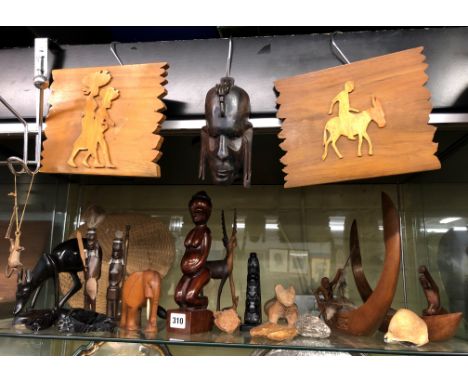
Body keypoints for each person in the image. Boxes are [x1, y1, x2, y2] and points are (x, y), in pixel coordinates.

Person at [174, 191, 213, 309]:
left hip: (199, 271)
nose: (195, 215)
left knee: (190, 297)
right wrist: (184, 266)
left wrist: (194, 267)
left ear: (206, 214)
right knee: (178, 297)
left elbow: (204, 254)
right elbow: (186, 252)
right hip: (187, 272)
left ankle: (203, 302)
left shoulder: (206, 232)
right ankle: (186, 314)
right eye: (193, 213)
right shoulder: (192, 231)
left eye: (199, 212)